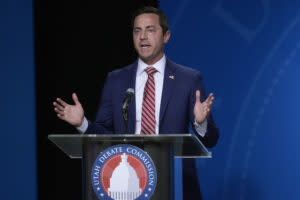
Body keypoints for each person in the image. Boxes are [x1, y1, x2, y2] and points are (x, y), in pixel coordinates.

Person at [53, 6, 219, 199]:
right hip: (128, 186)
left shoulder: (188, 79)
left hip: (175, 185)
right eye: (137, 31)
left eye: (150, 30)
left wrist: (201, 123)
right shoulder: (116, 80)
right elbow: (105, 135)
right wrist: (83, 124)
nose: (143, 37)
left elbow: (211, 139)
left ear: (166, 36)